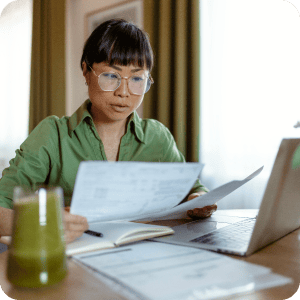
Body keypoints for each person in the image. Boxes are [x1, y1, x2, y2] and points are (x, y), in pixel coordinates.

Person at [0, 19, 217, 243]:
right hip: (74, 261)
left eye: (136, 78)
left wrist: (199, 200)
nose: (124, 92)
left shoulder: (158, 137)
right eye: (111, 76)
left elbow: (193, 190)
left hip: (145, 257)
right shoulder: (53, 134)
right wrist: (44, 223)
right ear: (86, 70)